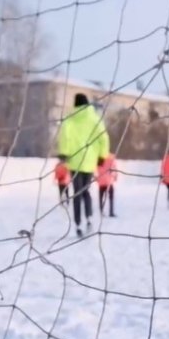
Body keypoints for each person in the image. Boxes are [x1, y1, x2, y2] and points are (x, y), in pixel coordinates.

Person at [56, 93, 110, 236]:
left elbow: (64, 137)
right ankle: (89, 218)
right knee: (86, 191)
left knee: (77, 193)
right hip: (90, 160)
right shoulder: (95, 118)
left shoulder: (69, 119)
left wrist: (63, 153)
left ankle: (78, 223)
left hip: (74, 161)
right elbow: (104, 137)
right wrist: (102, 155)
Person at [96, 153, 118, 218]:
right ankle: (111, 212)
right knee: (111, 198)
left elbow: (96, 169)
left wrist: (97, 177)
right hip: (109, 182)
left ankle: (101, 211)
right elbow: (114, 168)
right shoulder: (111, 158)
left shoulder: (99, 158)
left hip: (101, 181)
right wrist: (115, 176)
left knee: (101, 198)